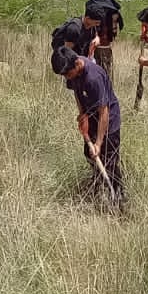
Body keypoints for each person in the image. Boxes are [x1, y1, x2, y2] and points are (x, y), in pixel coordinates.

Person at [53, 43, 124, 205]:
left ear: (77, 64)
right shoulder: (72, 73)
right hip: (91, 117)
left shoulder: (93, 77)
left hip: (108, 122)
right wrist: (83, 114)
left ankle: (119, 198)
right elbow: (77, 93)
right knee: (89, 154)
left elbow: (104, 111)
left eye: (67, 74)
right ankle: (98, 185)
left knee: (110, 162)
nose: (67, 78)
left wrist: (98, 143)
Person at [83, 0, 125, 77]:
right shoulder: (110, 14)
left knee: (104, 77)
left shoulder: (110, 15)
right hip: (96, 48)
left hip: (102, 48)